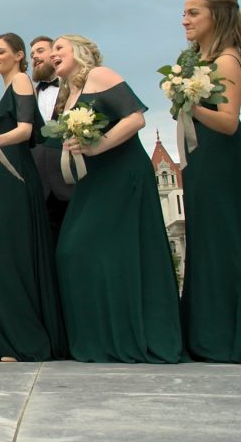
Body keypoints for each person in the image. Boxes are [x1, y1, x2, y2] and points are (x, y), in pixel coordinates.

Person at [52, 35, 183, 363]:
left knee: (115, 251)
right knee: (73, 250)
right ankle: (101, 337)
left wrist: (98, 145)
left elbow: (135, 117)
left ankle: (130, 336)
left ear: (80, 52)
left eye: (59, 48)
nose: (53, 54)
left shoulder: (100, 75)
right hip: (91, 180)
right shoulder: (69, 93)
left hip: (121, 173)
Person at [0, 33, 66, 362]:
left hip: (17, 178)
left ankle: (23, 340)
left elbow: (25, 131)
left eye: (0, 51)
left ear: (19, 55)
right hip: (3, 177)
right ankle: (6, 338)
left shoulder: (22, 81)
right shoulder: (9, 90)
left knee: (5, 256)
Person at [179, 0, 241, 363]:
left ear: (216, 16)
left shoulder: (227, 60)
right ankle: (204, 331)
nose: (184, 20)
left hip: (220, 157)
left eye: (193, 13)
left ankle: (224, 335)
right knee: (202, 239)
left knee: (223, 241)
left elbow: (229, 122)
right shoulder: (197, 61)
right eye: (184, 13)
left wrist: (186, 101)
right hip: (199, 159)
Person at [29, 36, 75, 246]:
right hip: (39, 189)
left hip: (72, 181)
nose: (35, 58)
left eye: (39, 51)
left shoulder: (75, 88)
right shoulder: (27, 96)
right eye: (32, 55)